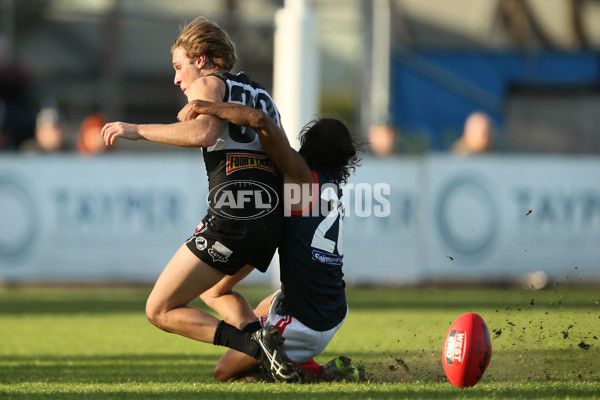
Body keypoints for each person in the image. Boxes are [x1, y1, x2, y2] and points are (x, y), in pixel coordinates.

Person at [100, 17, 299, 382]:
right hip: (270, 219)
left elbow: (204, 132)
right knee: (215, 291)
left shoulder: (209, 83)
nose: (178, 79)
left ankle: (255, 347)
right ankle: (267, 351)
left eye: (179, 67)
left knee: (159, 309)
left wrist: (137, 130)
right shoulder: (263, 97)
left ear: (203, 60)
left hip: (235, 215)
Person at [178, 99, 365, 382]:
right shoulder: (330, 185)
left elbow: (261, 121)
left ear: (308, 145)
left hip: (306, 323)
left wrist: (207, 106)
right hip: (331, 307)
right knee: (234, 307)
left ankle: (318, 374)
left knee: (225, 372)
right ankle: (274, 353)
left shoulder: (301, 176)